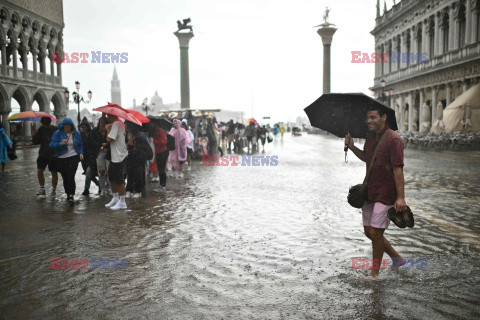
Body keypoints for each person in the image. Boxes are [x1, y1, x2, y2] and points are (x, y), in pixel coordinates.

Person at [345, 105, 407, 278]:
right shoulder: (370, 137)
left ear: (383, 117)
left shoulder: (394, 139)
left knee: (375, 232)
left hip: (386, 193)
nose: (369, 121)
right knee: (368, 231)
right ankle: (396, 259)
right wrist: (351, 146)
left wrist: (401, 197)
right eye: (367, 118)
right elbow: (367, 157)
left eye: (373, 117)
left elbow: (398, 170)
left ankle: (374, 274)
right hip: (370, 190)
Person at [49, 118, 84, 202]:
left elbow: (80, 144)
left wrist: (81, 152)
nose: (67, 127)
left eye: (68, 125)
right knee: (65, 177)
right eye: (65, 125)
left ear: (71, 126)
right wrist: (60, 143)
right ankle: (68, 193)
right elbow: (52, 144)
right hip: (61, 158)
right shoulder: (58, 133)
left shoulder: (76, 133)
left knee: (70, 176)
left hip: (73, 157)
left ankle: (71, 195)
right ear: (63, 125)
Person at [105, 114, 128, 210]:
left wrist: (108, 130)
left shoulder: (116, 124)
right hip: (115, 156)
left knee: (119, 180)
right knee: (112, 178)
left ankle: (122, 202)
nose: (107, 117)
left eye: (108, 115)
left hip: (119, 157)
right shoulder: (121, 123)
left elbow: (109, 139)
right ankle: (115, 198)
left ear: (112, 116)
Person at [32, 117, 58, 195]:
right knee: (40, 171)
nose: (45, 126)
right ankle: (42, 189)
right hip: (43, 154)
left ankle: (53, 190)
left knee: (54, 173)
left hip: (53, 155)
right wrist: (34, 136)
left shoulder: (56, 130)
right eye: (44, 125)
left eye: (46, 125)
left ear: (50, 123)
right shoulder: (40, 129)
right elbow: (36, 142)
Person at [125, 121, 152, 197]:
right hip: (131, 157)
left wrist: (134, 151)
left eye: (126, 125)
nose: (125, 127)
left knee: (138, 174)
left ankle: (138, 191)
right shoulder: (129, 134)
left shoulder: (139, 135)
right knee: (130, 174)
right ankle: (129, 189)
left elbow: (142, 148)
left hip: (138, 158)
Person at [90, 115, 110, 195]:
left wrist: (107, 144)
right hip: (99, 153)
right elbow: (91, 142)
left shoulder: (110, 130)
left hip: (109, 152)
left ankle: (111, 189)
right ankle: (102, 189)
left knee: (109, 171)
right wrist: (101, 144)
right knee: (101, 171)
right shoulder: (95, 131)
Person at [79, 118, 99, 196]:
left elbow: (94, 144)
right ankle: (99, 185)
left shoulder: (92, 134)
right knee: (89, 174)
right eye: (82, 127)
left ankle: (86, 189)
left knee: (88, 172)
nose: (83, 128)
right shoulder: (81, 134)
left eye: (85, 127)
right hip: (84, 157)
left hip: (92, 157)